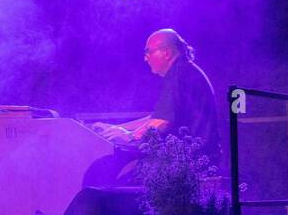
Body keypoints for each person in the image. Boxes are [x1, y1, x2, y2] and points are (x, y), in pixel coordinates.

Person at [93, 28, 219, 160]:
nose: (145, 58)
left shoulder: (178, 75)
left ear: (167, 53)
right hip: (197, 159)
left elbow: (162, 123)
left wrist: (130, 137)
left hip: (193, 163)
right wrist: (116, 129)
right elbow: (155, 118)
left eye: (148, 52)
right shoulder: (183, 71)